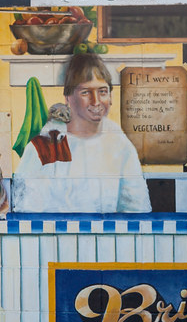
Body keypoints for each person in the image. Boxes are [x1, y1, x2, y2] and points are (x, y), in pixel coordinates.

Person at [12, 52, 151, 213]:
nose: (96, 101)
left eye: (103, 91)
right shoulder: (42, 147)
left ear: (111, 97)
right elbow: (24, 211)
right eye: (85, 92)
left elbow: (135, 208)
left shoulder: (120, 146)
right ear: (68, 98)